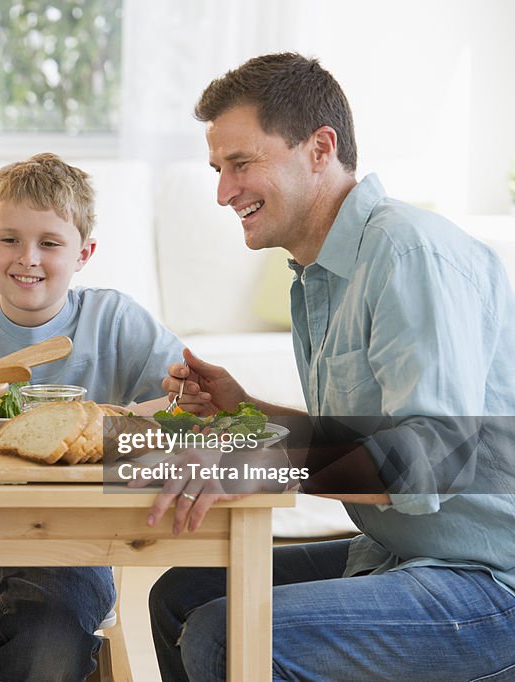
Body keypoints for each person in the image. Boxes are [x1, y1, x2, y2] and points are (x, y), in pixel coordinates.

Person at [147, 53, 515, 681]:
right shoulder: (318, 277)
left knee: (226, 635)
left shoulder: (407, 252)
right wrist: (246, 412)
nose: (223, 192)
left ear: (320, 148)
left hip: (488, 582)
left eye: (241, 164)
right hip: (400, 553)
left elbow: (432, 459)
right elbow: (362, 438)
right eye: (218, 169)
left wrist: (260, 464)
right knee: (180, 596)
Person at [0, 153, 187, 681]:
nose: (27, 258)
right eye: (9, 239)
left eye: (50, 243)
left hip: (66, 543)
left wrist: (127, 417)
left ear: (84, 253)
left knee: (49, 647)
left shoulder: (113, 320)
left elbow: (186, 399)